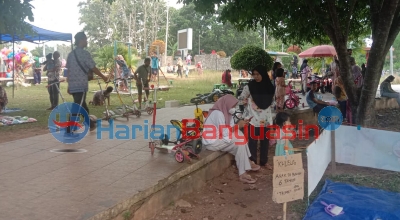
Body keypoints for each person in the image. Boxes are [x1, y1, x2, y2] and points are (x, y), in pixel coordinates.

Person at [202, 94, 260, 183]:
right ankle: (245, 166)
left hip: (220, 138)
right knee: (239, 139)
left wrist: (241, 124)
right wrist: (238, 126)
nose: (233, 108)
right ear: (227, 104)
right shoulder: (218, 113)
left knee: (239, 137)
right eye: (232, 106)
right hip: (212, 142)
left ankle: (243, 171)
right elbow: (226, 133)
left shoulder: (227, 112)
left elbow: (231, 128)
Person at [238, 65, 275, 169]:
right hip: (253, 119)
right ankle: (253, 162)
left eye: (258, 74)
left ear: (263, 74)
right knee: (253, 142)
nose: (256, 76)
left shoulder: (269, 86)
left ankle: (264, 162)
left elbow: (273, 101)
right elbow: (240, 99)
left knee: (265, 141)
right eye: (254, 74)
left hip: (266, 119)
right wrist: (245, 102)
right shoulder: (250, 86)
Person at [66, 32, 108, 115]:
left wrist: (69, 85)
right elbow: (93, 68)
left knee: (81, 103)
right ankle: (71, 125)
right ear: (81, 40)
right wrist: (103, 76)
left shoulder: (71, 54)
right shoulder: (85, 54)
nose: (87, 41)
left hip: (73, 84)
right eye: (86, 39)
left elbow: (69, 71)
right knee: (78, 104)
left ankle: (89, 122)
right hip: (81, 84)